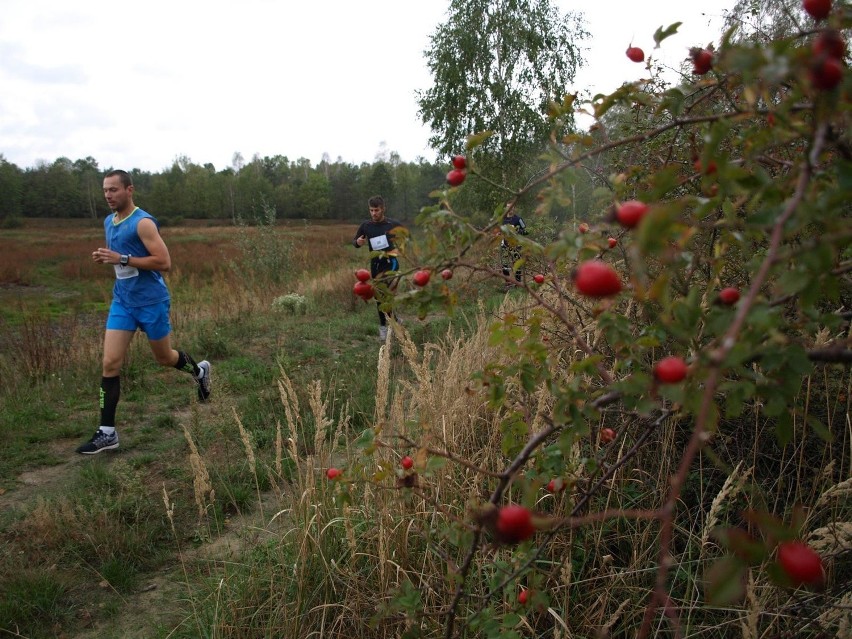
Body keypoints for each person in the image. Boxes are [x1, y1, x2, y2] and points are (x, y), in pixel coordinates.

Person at [76, 169, 211, 455]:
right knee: (110, 363)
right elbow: (121, 262)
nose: (108, 195)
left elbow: (164, 262)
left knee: (164, 358)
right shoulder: (109, 221)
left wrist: (122, 258)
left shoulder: (143, 223)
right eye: (105, 190)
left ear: (129, 190)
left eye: (113, 190)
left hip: (151, 302)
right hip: (123, 302)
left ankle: (198, 371)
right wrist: (107, 258)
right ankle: (107, 433)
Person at [352, 195, 405, 341]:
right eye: (371, 210)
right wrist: (358, 241)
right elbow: (354, 243)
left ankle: (387, 326)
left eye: (376, 210)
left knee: (384, 293)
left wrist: (400, 248)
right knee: (379, 297)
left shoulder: (392, 224)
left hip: (391, 264)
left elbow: (405, 238)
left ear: (383, 209)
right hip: (375, 265)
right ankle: (391, 322)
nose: (374, 213)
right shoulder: (366, 226)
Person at [500, 200, 528, 285]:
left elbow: (526, 231)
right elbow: (500, 230)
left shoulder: (518, 219)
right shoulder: (503, 219)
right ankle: (508, 283)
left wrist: (517, 231)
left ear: (514, 208)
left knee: (517, 264)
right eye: (508, 207)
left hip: (516, 245)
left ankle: (517, 283)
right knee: (504, 265)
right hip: (505, 244)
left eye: (511, 207)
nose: (510, 209)